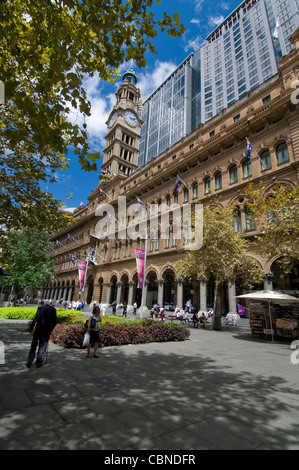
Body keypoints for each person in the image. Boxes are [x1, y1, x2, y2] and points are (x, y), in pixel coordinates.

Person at [26, 301, 57, 368]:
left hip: (38, 329)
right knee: (43, 346)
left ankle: (29, 362)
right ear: (50, 304)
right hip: (46, 331)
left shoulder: (40, 308)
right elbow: (55, 321)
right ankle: (39, 363)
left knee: (33, 345)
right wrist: (50, 329)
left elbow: (35, 319)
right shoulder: (53, 310)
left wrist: (32, 328)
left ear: (44, 304)